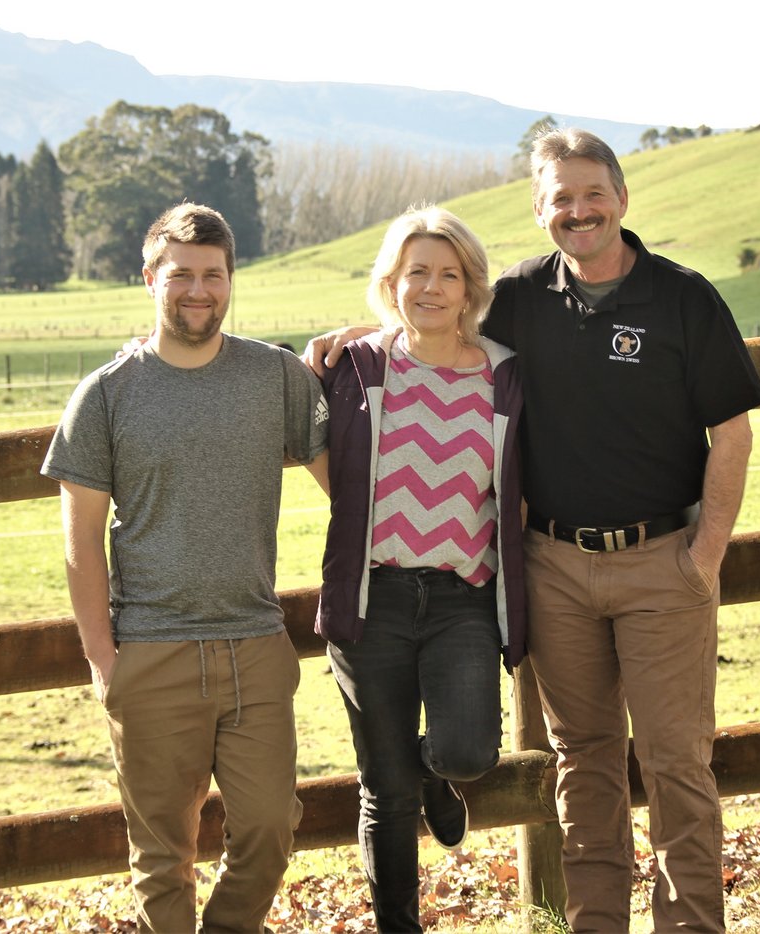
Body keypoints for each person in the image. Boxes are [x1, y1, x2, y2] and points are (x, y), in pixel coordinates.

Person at [306, 129, 760, 933]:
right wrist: (351, 338)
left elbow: (733, 431)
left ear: (622, 198)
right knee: (583, 763)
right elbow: (430, 311)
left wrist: (703, 558)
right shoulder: (519, 296)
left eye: (593, 194)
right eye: (561, 198)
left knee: (675, 766)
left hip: (662, 562)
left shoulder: (684, 297)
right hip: (551, 566)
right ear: (540, 210)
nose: (579, 212)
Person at [42, 202, 329, 933]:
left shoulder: (276, 377)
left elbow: (352, 492)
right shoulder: (105, 396)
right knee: (162, 857)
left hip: (256, 647)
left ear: (231, 279)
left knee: (268, 829)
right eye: (181, 275)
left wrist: (369, 340)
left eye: (213, 274)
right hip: (152, 650)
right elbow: (79, 538)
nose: (198, 290)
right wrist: (104, 658)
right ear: (149, 278)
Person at [315, 205, 525, 932]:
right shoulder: (356, 367)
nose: (432, 288)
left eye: (449, 274)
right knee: (386, 789)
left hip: (463, 597)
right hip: (373, 599)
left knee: (468, 752)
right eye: (417, 273)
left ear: (470, 288)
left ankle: (439, 773)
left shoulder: (506, 377)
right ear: (390, 283)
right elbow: (311, 448)